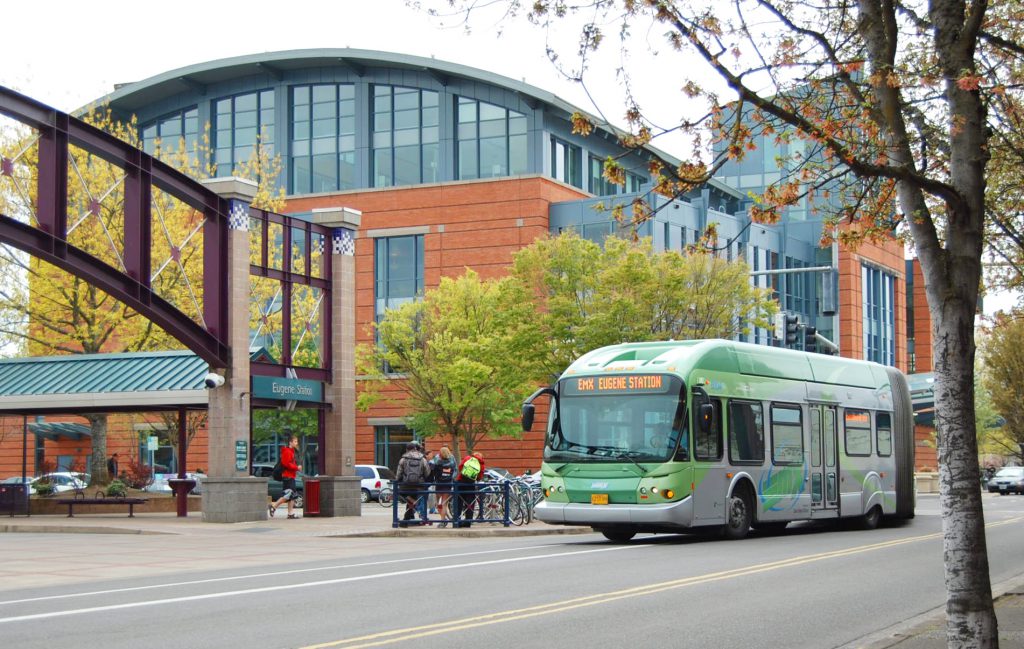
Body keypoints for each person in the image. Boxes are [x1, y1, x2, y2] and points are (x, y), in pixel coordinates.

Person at [396, 441, 431, 526]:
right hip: (419, 485)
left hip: (406, 485)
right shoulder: (422, 459)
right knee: (412, 501)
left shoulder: (403, 459)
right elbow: (427, 472)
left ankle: (406, 519)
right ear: (415, 448)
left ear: (407, 449)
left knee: (401, 494)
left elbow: (399, 473)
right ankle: (407, 518)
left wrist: (396, 480)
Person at [269, 434, 302, 519]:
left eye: (297, 441)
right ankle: (274, 506)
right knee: (288, 494)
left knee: (293, 495)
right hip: (287, 476)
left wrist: (297, 467)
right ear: (290, 442)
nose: (296, 443)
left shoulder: (292, 451)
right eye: (295, 441)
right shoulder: (287, 451)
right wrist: (296, 467)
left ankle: (290, 514)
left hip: (291, 476)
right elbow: (286, 464)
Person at [454, 450, 485, 528]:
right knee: (470, 503)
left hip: (461, 481)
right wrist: (474, 478)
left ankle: (456, 520)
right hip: (471, 484)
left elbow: (460, 466)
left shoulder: (468, 458)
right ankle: (468, 522)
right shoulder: (481, 463)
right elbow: (480, 476)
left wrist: (464, 474)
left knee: (459, 501)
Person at [430, 446, 458, 527]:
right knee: (444, 503)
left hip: (439, 483)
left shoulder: (437, 461)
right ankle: (443, 520)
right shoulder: (452, 462)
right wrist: (451, 478)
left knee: (438, 503)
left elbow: (432, 469)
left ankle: (443, 520)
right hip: (448, 483)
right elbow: (455, 471)